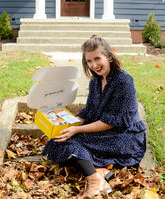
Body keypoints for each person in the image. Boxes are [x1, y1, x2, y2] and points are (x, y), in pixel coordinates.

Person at [42, 35, 147, 198]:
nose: (94, 65)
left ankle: (93, 179)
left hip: (125, 136)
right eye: (89, 61)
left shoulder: (124, 81)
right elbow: (89, 113)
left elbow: (111, 122)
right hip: (104, 132)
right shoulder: (95, 82)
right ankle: (99, 172)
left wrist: (76, 130)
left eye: (98, 59)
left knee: (71, 142)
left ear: (109, 56)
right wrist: (63, 125)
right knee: (57, 139)